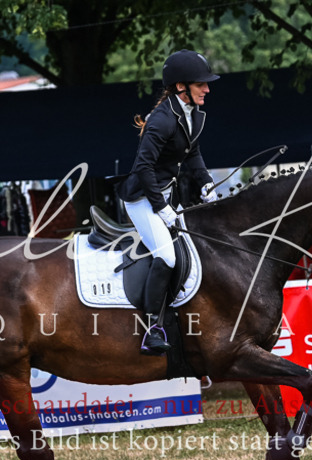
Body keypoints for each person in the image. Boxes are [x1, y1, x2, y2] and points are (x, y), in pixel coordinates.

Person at [116, 49, 219, 355]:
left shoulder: (195, 115)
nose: (207, 89)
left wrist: (206, 182)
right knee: (168, 257)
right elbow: (143, 168)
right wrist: (161, 207)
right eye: (201, 84)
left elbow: (194, 153)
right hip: (141, 199)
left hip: (165, 196)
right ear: (180, 87)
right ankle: (152, 328)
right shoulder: (161, 120)